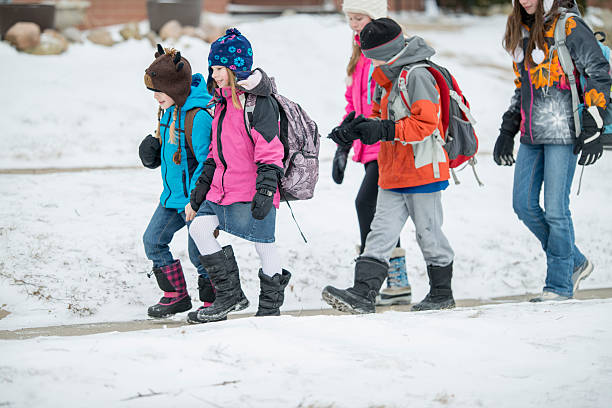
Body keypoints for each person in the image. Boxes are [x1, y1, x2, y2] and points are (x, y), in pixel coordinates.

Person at [324, 18, 455, 314]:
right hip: (392, 170)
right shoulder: (388, 77)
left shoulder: (418, 75)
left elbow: (425, 123)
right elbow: (376, 115)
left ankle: (442, 292)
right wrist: (354, 130)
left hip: (422, 171)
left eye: (373, 56)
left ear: (388, 50)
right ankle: (363, 293)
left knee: (428, 233)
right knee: (380, 233)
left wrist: (384, 130)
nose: (370, 63)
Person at [494, 0, 607, 301]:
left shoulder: (568, 25)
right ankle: (575, 261)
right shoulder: (520, 29)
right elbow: (523, 85)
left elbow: (599, 70)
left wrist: (595, 121)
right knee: (523, 205)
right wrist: (508, 128)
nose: (524, 0)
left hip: (565, 132)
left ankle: (558, 285)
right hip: (532, 134)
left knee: (556, 211)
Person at [187, 28, 291, 324]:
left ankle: (270, 308)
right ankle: (230, 295)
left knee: (264, 244)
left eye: (219, 68)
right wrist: (202, 186)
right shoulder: (219, 102)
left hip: (252, 189)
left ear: (235, 68)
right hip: (221, 189)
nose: (214, 74)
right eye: (213, 68)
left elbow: (271, 151)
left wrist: (267, 189)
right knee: (198, 229)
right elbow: (213, 153)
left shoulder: (260, 103)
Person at [335, 0, 411, 306]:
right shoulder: (359, 54)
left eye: (359, 17)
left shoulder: (387, 52)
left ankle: (372, 280)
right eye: (350, 18)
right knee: (381, 212)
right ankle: (395, 282)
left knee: (367, 205)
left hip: (389, 143)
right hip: (368, 147)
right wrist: (343, 142)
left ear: (375, 16)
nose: (354, 24)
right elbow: (353, 103)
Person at [140, 45, 214, 318]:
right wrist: (152, 153)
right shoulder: (168, 111)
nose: (156, 96)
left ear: (175, 87)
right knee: (153, 241)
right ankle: (176, 295)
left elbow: (207, 162)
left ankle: (213, 301)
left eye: (159, 90)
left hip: (197, 200)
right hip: (171, 198)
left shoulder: (199, 116)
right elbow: (173, 151)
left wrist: (195, 199)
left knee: (201, 254)